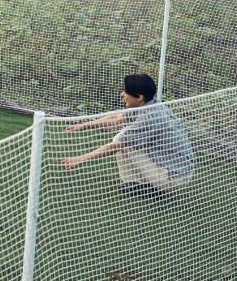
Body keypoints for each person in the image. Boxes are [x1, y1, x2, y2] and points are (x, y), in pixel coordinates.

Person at [61, 73, 194, 198]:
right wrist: (84, 125)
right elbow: (117, 117)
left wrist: (80, 159)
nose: (122, 94)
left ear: (139, 97)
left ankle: (143, 186)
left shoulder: (150, 116)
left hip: (174, 178)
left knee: (122, 140)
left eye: (126, 92)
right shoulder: (151, 104)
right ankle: (141, 185)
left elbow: (116, 145)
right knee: (125, 140)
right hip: (180, 172)